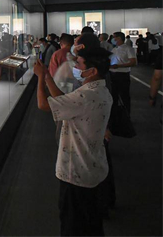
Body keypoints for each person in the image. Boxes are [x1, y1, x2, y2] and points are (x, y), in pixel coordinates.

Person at [34, 47, 113, 236]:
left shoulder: (85, 96)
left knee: (73, 224)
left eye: (79, 64)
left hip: (76, 172)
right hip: (93, 168)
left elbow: (43, 104)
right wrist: (47, 77)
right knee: (91, 221)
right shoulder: (100, 91)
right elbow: (64, 100)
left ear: (92, 71)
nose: (75, 66)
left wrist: (39, 77)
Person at [110, 32, 137, 116]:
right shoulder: (114, 49)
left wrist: (119, 66)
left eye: (114, 37)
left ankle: (126, 115)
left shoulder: (128, 48)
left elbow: (133, 62)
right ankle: (115, 116)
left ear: (119, 38)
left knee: (124, 95)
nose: (113, 39)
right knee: (113, 96)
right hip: (112, 74)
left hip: (122, 75)